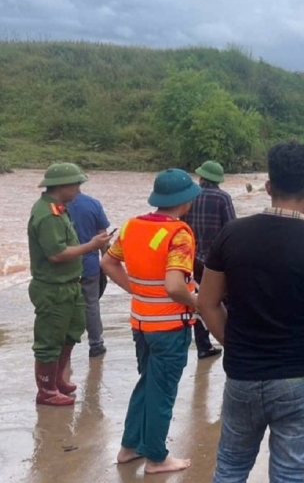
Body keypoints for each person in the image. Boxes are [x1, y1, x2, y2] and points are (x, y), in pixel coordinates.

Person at [197, 142, 304, 483]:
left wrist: (234, 343)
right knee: (290, 475)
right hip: (299, 375)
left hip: (242, 375)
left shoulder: (230, 236)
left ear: (268, 187)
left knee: (231, 468)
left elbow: (206, 302)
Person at [101, 168, 201, 474]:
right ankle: (157, 458)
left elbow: (107, 261)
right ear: (184, 202)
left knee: (146, 384)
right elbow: (174, 286)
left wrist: (137, 289)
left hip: (141, 324)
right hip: (170, 328)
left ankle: (129, 447)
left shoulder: (132, 226)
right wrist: (201, 304)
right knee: (162, 392)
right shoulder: (179, 233)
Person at [28, 163, 111, 406]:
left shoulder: (59, 209)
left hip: (70, 285)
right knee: (49, 339)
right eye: (75, 184)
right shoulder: (47, 215)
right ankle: (46, 390)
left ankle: (56, 381)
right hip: (53, 287)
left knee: (72, 331)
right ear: (61, 186)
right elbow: (56, 254)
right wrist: (92, 246)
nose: (78, 189)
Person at [183, 159, 236, 359]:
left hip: (191, 259)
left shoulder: (189, 197)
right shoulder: (223, 198)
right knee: (227, 299)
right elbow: (231, 228)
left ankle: (204, 347)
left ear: (201, 177)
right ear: (218, 180)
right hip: (217, 261)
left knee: (199, 300)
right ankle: (231, 340)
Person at [67, 191, 111, 358]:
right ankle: (96, 344)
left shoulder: (57, 206)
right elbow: (103, 237)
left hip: (65, 266)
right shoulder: (93, 204)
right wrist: (107, 262)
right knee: (91, 304)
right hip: (90, 265)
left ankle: (66, 344)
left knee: (65, 305)